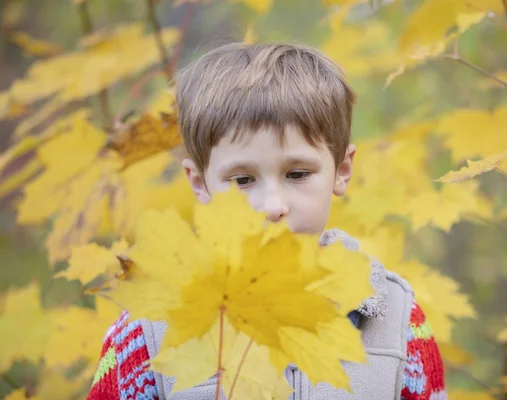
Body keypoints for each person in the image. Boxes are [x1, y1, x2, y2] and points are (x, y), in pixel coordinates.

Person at [87, 42, 446, 400]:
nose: (272, 206)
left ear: (342, 170)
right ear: (200, 183)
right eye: (242, 180)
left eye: (298, 173)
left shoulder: (398, 320)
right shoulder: (148, 329)